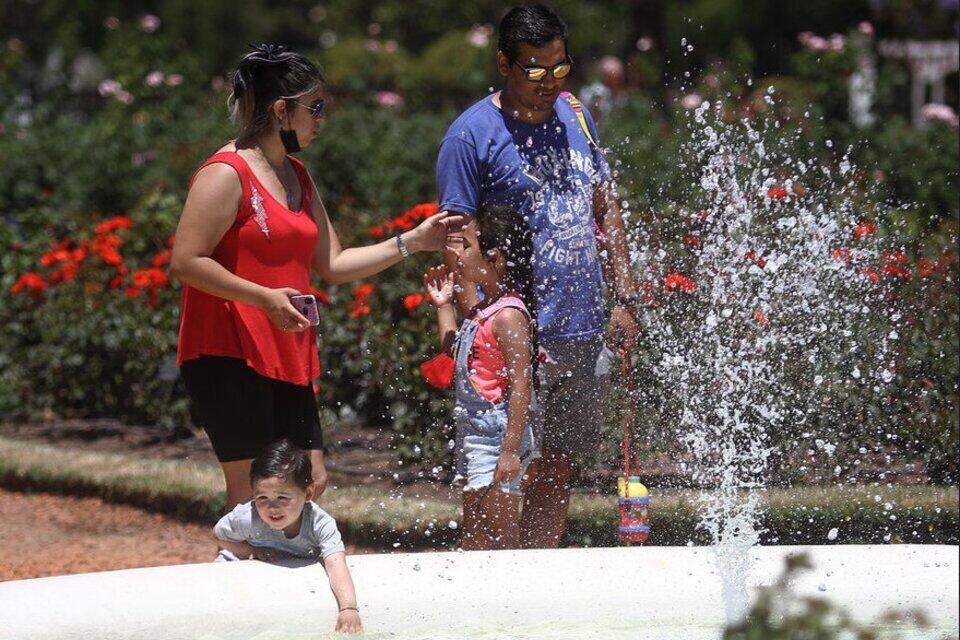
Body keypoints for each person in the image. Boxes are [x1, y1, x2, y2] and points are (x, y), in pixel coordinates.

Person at [171, 44, 462, 509]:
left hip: (285, 349)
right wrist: (264, 297)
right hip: (228, 349)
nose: (322, 118)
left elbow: (334, 263)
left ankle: (268, 572)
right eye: (316, 107)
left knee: (309, 481)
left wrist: (414, 240)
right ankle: (237, 571)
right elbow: (186, 261)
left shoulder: (297, 176)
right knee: (254, 496)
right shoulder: (226, 173)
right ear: (282, 110)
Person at [437, 5, 640, 548]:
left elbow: (606, 207)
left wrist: (624, 297)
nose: (549, 83)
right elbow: (457, 239)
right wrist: (470, 321)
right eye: (534, 70)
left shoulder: (575, 112)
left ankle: (541, 589)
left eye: (559, 68)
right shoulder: (470, 137)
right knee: (497, 479)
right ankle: (482, 600)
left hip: (579, 330)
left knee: (553, 470)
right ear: (504, 63)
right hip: (513, 337)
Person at [423, 205, 540, 550]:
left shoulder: (508, 316)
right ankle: (486, 597)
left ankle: (512, 596)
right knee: (475, 530)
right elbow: (453, 348)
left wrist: (509, 451)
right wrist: (444, 304)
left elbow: (522, 385)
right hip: (475, 432)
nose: (462, 254)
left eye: (469, 246)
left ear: (495, 258)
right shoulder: (483, 309)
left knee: (499, 530)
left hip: (498, 435)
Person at [213, 439, 361, 634]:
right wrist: (252, 550)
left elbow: (335, 563)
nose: (272, 508)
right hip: (239, 569)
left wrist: (348, 607)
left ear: (308, 493)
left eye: (282, 498)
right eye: (262, 498)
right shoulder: (248, 517)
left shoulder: (319, 524)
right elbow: (219, 536)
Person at [580, 55, 628, 122]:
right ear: (605, 76)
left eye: (619, 77)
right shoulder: (591, 92)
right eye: (614, 77)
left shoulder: (622, 95)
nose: (618, 80)